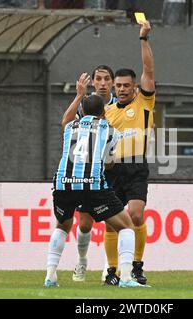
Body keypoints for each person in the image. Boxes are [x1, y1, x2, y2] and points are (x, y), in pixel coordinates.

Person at [44, 94, 148, 288]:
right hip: (92, 184)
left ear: (82, 111)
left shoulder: (70, 127)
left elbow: (65, 119)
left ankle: (50, 276)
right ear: (104, 112)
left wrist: (78, 94)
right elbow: (109, 164)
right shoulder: (110, 130)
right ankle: (125, 278)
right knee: (126, 226)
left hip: (64, 183)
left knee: (62, 227)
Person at [101, 19, 156, 286]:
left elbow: (148, 69)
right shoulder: (108, 112)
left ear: (134, 87)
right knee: (111, 223)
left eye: (126, 85)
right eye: (118, 86)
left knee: (135, 215)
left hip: (135, 166)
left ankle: (136, 266)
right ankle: (112, 270)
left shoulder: (144, 101)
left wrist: (143, 39)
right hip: (112, 169)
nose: (122, 89)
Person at [60, 66, 117, 282]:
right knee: (84, 224)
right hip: (87, 171)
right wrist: (78, 95)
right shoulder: (87, 105)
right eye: (99, 79)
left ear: (112, 82)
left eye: (106, 79)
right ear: (93, 82)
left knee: (113, 222)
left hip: (112, 169)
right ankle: (82, 260)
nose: (102, 83)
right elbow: (65, 123)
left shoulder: (119, 103)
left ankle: (108, 269)